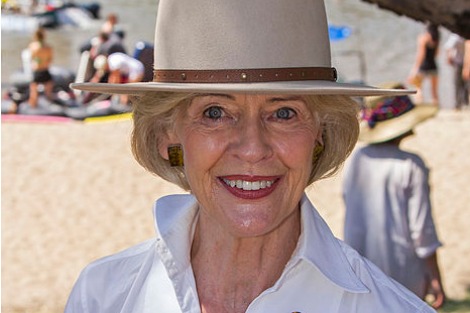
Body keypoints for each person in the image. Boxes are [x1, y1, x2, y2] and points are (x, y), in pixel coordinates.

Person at [65, 1, 439, 312]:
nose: (252, 149)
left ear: (320, 133)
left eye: (283, 113)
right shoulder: (102, 296)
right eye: (214, 113)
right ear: (167, 133)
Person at [342, 84, 445, 310]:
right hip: (403, 272)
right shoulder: (411, 165)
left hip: (360, 270)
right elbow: (422, 230)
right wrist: (435, 276)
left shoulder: (358, 160)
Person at [407, 23, 440, 105]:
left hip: (424, 66)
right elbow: (436, 53)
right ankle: (436, 108)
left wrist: (415, 69)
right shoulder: (437, 39)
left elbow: (421, 55)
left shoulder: (423, 38)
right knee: (434, 91)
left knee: (418, 89)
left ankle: (419, 106)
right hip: (433, 65)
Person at [28, 27, 54, 108]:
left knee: (34, 93)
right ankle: (49, 106)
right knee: (48, 92)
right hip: (45, 69)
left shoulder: (32, 46)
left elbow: (32, 58)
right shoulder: (48, 47)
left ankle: (32, 107)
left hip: (36, 70)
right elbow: (50, 60)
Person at [444, 33, 468, 110]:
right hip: (459, 62)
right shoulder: (457, 36)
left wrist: (449, 57)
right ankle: (461, 103)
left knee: (460, 84)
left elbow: (448, 47)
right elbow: (448, 47)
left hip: (461, 62)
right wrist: (449, 57)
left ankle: (461, 103)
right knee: (461, 84)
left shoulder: (456, 35)